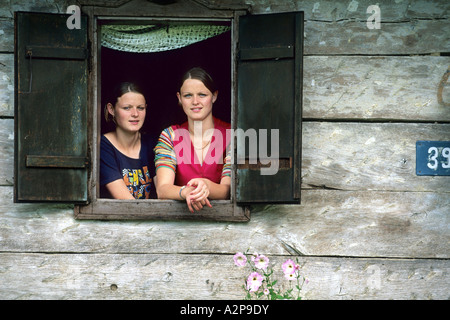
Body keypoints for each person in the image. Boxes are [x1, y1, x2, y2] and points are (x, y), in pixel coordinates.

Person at [154, 67, 231, 212]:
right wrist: (187, 192)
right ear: (179, 98)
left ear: (214, 96)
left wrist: (206, 186)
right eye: (188, 95)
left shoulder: (232, 135)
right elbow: (162, 189)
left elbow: (226, 190)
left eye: (202, 95)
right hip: (179, 221)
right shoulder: (170, 136)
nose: (195, 101)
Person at [100, 82, 155, 199]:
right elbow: (125, 201)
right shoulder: (102, 145)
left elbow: (163, 190)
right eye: (127, 108)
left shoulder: (152, 144)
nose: (135, 114)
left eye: (140, 108)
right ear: (111, 109)